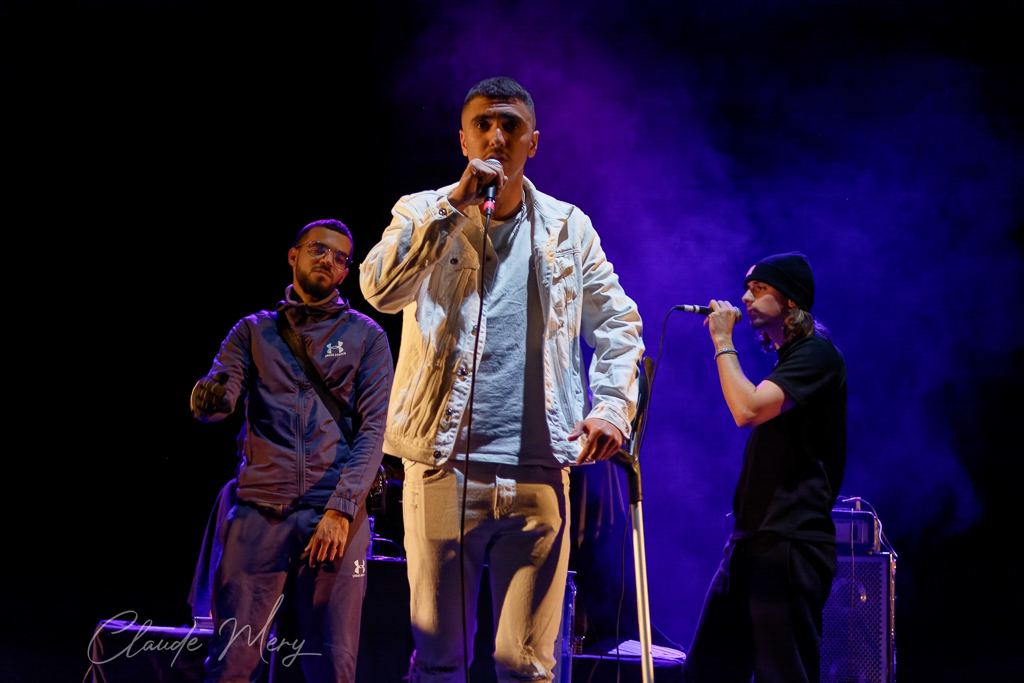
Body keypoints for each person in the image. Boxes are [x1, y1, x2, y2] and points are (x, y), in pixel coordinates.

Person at [359, 76, 644, 682]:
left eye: (510, 125)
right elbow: (380, 290)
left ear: (532, 142)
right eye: (483, 124)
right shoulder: (421, 210)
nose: (496, 136)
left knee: (528, 664)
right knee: (440, 662)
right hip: (442, 466)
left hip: (539, 468)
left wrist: (612, 409)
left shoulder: (569, 227)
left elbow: (619, 323)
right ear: (463, 139)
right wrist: (451, 209)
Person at [190, 219, 393, 683]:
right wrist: (210, 400)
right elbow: (221, 395)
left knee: (332, 666)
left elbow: (373, 432)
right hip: (259, 512)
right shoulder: (253, 331)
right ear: (293, 255)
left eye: (339, 257)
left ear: (345, 273)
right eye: (318, 249)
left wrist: (341, 510)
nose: (328, 260)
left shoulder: (367, 336)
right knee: (230, 664)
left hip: (334, 515)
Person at [682, 252, 847, 683]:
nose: (745, 298)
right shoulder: (790, 358)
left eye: (759, 289)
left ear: (790, 300)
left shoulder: (818, 355)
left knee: (783, 674)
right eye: (746, 289)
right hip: (752, 539)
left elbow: (748, 410)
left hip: (790, 541)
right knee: (707, 671)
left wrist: (723, 340)